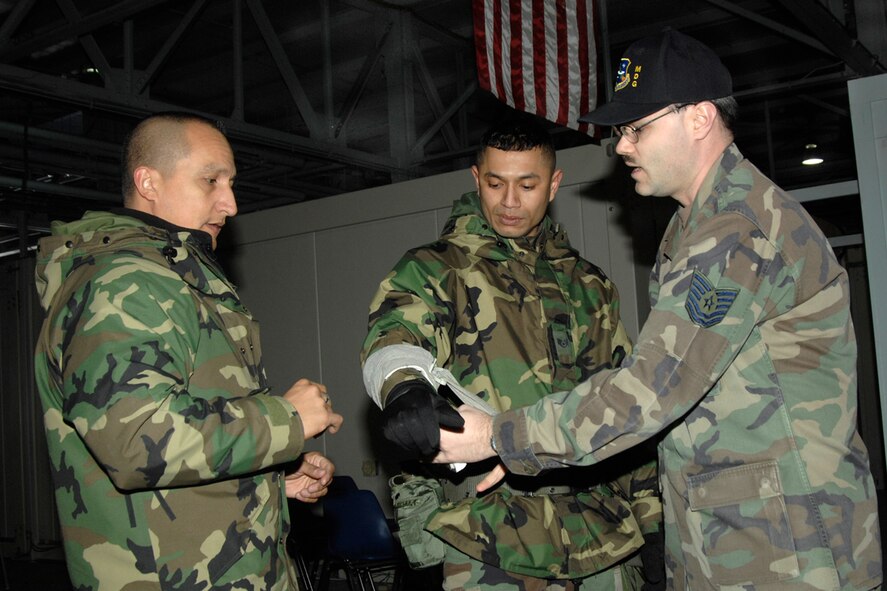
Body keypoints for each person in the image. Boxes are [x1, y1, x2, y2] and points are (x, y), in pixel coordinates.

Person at [434, 29, 883, 591]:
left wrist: (502, 436)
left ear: (698, 118)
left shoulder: (735, 231)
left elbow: (651, 388)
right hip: (743, 539)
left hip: (787, 551)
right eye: (621, 131)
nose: (621, 146)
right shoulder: (698, 227)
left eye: (636, 127)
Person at [33, 111, 344, 590]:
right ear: (148, 182)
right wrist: (286, 419)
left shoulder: (172, 277)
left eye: (232, 182)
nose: (231, 203)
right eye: (211, 180)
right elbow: (136, 440)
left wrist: (271, 479)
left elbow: (183, 426)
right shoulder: (127, 282)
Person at [361, 121, 663, 591]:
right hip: (489, 536)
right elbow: (397, 332)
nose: (509, 201)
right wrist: (402, 384)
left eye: (527, 184)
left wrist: (652, 525)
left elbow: (624, 408)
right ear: (476, 177)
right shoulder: (437, 269)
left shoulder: (590, 286)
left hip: (598, 535)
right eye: (496, 182)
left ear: (554, 183)